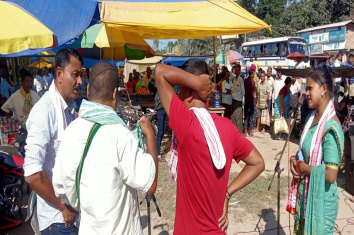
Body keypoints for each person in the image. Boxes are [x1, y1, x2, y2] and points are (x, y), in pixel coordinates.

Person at [155, 59, 265, 234]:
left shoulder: (187, 123)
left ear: (190, 90)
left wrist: (197, 82)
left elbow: (160, 71)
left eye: (180, 89)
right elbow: (258, 162)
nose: (177, 96)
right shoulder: (228, 127)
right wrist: (227, 194)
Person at [52, 61, 158, 234]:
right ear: (115, 94)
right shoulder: (119, 135)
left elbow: (60, 186)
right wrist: (151, 136)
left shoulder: (71, 131)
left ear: (87, 91)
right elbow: (151, 184)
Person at [23, 48, 84, 235]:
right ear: (59, 73)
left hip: (71, 214)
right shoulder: (45, 111)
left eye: (81, 75)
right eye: (75, 75)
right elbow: (32, 173)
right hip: (57, 219)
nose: (80, 81)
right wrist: (61, 206)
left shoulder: (70, 108)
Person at [288, 67, 343, 234]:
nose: (307, 93)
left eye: (310, 88)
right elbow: (303, 152)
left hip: (321, 203)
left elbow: (330, 175)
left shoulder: (331, 126)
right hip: (306, 196)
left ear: (324, 88)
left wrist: (302, 167)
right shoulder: (312, 118)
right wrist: (294, 162)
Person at [148, 69, 167, 162]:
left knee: (162, 130)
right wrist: (154, 77)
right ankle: (157, 154)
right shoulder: (155, 81)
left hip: (165, 107)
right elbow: (150, 86)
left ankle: (158, 150)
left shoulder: (164, 80)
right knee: (160, 132)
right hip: (160, 108)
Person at [231, 64, 245, 133]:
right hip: (233, 100)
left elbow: (243, 92)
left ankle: (240, 134)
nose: (236, 71)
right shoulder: (233, 79)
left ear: (239, 71)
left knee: (239, 118)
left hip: (238, 101)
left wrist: (241, 100)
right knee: (233, 117)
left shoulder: (241, 80)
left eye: (237, 70)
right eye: (235, 70)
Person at [244, 68, 256, 137]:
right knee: (251, 116)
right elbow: (253, 91)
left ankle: (245, 132)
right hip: (251, 100)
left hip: (246, 100)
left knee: (246, 116)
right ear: (252, 74)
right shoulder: (253, 82)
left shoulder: (245, 81)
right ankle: (250, 132)